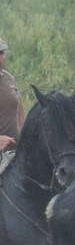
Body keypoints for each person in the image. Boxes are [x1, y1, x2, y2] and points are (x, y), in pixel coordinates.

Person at [0, 37, 25, 175]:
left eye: (2, 53)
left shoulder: (9, 78)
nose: (1, 57)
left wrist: (27, 138)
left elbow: (20, 111)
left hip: (15, 153)